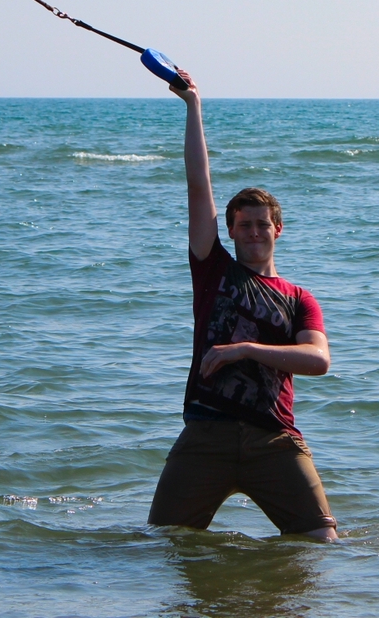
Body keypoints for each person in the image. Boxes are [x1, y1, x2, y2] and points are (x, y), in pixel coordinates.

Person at [147, 69, 338, 541]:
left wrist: (245, 349)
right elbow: (197, 184)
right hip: (205, 436)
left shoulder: (299, 298)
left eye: (262, 223)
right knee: (162, 545)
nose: (254, 231)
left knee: (322, 545)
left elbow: (318, 361)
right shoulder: (213, 270)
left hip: (274, 438)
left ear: (279, 230)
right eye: (244, 224)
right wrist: (193, 106)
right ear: (229, 231)